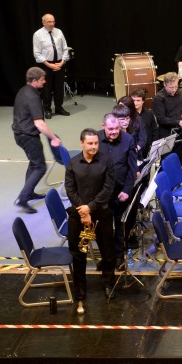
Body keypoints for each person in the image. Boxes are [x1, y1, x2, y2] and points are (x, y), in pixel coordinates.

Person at [65, 128, 116, 305]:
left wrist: (90, 208)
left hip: (101, 214)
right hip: (78, 216)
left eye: (96, 143)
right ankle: (80, 287)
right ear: (82, 143)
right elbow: (70, 190)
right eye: (90, 143)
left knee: (107, 252)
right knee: (79, 253)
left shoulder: (106, 161)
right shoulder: (72, 163)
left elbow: (108, 188)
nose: (94, 146)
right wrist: (83, 211)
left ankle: (108, 283)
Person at [12, 67, 62, 214]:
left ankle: (29, 193)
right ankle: (22, 199)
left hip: (19, 134)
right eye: (42, 79)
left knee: (34, 163)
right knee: (40, 167)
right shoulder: (33, 97)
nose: (44, 82)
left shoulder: (23, 91)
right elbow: (39, 124)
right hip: (28, 137)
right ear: (34, 81)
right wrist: (54, 138)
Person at [98, 113, 138, 260]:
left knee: (121, 226)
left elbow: (132, 169)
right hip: (101, 193)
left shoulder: (128, 140)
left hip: (120, 192)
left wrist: (127, 190)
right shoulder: (96, 139)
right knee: (104, 228)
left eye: (117, 128)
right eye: (110, 129)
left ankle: (119, 256)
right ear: (103, 126)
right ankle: (106, 258)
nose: (114, 132)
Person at [32, 13, 71, 118]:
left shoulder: (59, 32)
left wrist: (62, 62)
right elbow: (37, 53)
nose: (52, 24)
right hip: (45, 65)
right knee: (47, 89)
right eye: (49, 22)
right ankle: (47, 109)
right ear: (43, 22)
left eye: (53, 21)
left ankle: (59, 107)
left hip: (59, 63)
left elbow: (65, 49)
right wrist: (49, 65)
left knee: (59, 87)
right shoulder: (38, 34)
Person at [153, 72, 182, 160]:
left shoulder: (181, 93)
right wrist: (178, 122)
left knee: (179, 158)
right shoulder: (159, 98)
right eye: (171, 87)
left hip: (180, 131)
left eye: (175, 86)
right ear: (164, 84)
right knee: (167, 159)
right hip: (166, 133)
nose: (174, 90)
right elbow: (161, 119)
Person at [130, 89, 158, 159]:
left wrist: (154, 146)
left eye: (138, 100)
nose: (135, 103)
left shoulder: (149, 114)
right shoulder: (127, 115)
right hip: (134, 149)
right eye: (133, 100)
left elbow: (154, 131)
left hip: (147, 148)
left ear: (143, 101)